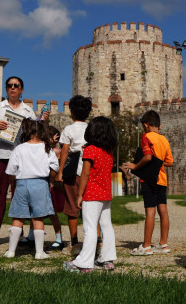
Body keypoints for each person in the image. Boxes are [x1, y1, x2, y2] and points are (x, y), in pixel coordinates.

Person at [0, 76, 48, 247]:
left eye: (16, 85)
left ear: (21, 90)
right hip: (0, 155)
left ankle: (18, 234)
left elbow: (35, 132)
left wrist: (42, 121)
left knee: (20, 196)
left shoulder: (27, 111)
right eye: (9, 85)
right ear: (6, 89)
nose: (12, 88)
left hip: (21, 158)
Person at [63, 116, 118, 273]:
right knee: (106, 226)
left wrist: (80, 194)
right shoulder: (108, 152)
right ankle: (107, 259)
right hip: (105, 193)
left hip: (92, 194)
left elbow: (85, 174)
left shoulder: (90, 150)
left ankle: (84, 262)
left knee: (89, 227)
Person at [3, 119, 59, 260]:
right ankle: (39, 252)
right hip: (40, 184)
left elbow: (10, 170)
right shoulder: (47, 148)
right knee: (38, 217)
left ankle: (11, 251)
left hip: (22, 183)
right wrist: (51, 179)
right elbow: (55, 167)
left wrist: (15, 180)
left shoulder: (19, 148)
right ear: (42, 132)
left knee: (18, 217)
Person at [121, 110, 173, 255]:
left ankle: (146, 246)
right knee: (163, 211)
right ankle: (163, 244)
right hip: (162, 179)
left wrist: (135, 166)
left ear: (145, 125)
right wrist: (159, 163)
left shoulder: (146, 137)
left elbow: (148, 157)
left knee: (150, 211)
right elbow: (169, 162)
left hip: (149, 179)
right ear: (159, 126)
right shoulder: (164, 140)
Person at [54, 95, 92, 252]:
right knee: (91, 207)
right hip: (89, 170)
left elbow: (64, 152)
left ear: (72, 113)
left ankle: (75, 242)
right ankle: (96, 241)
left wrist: (60, 172)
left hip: (74, 171)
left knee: (71, 206)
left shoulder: (68, 129)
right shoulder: (91, 129)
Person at [46, 126, 65, 250]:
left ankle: (59, 238)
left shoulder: (57, 151)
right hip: (45, 183)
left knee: (53, 214)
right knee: (35, 214)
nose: (57, 137)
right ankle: (32, 235)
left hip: (52, 185)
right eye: (54, 135)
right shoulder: (45, 149)